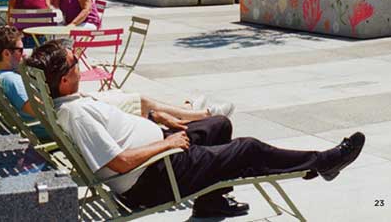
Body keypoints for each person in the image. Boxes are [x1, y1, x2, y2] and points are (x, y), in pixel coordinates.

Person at [25, 40, 366, 219]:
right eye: (75, 62)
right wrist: (165, 143)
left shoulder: (71, 104)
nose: (81, 64)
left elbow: (119, 136)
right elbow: (119, 162)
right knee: (246, 149)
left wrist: (159, 121)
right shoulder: (78, 114)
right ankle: (321, 162)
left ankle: (210, 203)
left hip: (161, 158)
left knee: (218, 124)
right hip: (154, 178)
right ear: (65, 79)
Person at [0, 27, 235, 141]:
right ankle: (201, 114)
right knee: (138, 99)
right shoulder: (10, 79)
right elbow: (37, 109)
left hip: (65, 110)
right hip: (65, 118)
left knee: (128, 96)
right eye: (19, 49)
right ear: (6, 54)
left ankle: (188, 109)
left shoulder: (4, 76)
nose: (24, 52)